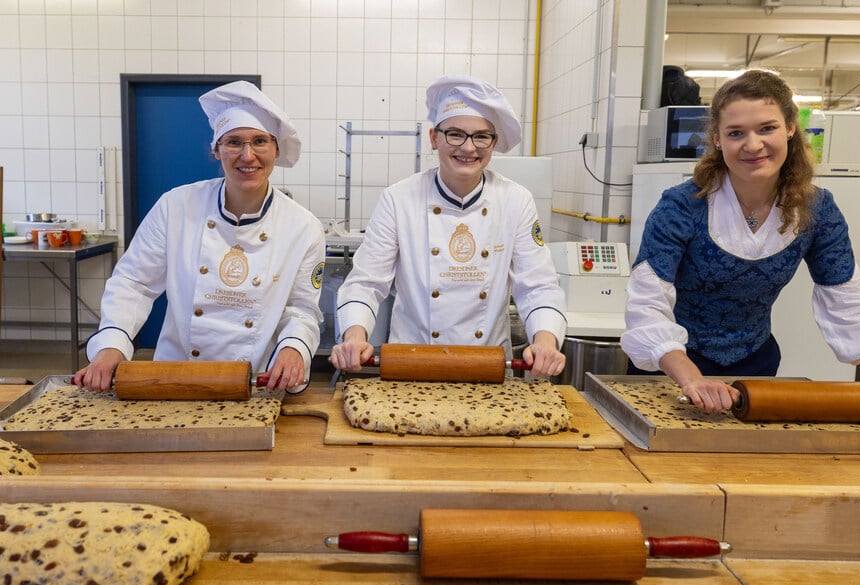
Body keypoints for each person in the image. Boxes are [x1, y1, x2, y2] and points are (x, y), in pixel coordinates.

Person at [622, 69, 860, 416]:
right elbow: (647, 303)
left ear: (789, 127)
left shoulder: (817, 209)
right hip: (670, 368)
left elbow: (849, 303)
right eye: (736, 133)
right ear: (717, 139)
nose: (753, 145)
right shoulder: (682, 205)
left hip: (755, 370)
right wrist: (693, 380)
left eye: (766, 128)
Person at [75, 81, 325, 394]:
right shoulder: (175, 206)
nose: (248, 155)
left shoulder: (303, 227)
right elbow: (134, 283)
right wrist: (111, 345)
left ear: (276, 149)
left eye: (260, 141)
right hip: (175, 377)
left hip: (255, 383)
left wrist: (293, 349)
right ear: (216, 150)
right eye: (233, 142)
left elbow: (301, 309)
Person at [331, 75, 567, 377]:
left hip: (488, 369)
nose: (468, 148)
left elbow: (538, 285)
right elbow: (366, 283)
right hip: (412, 365)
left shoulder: (515, 201)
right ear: (434, 137)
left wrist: (545, 341)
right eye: (455, 134)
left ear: (493, 143)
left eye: (482, 136)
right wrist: (354, 336)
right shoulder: (398, 199)